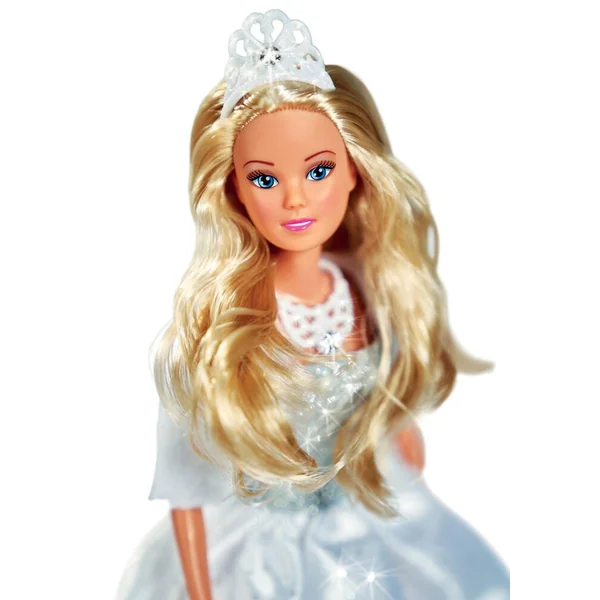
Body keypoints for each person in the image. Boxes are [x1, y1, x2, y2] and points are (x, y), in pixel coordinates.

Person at [116, 9, 510, 600]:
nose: (295, 199)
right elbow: (186, 492)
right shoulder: (215, 330)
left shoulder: (368, 289)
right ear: (234, 190)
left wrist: (397, 437)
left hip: (362, 530)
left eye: (319, 170)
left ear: (356, 171)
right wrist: (201, 592)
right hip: (259, 555)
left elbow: (381, 400)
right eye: (265, 179)